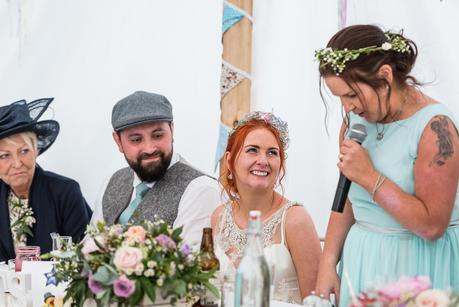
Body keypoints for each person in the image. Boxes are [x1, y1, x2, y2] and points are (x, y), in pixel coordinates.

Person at [314, 24, 459, 306]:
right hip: (362, 260)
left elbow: (432, 226)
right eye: (340, 98)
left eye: (352, 95)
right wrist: (328, 262)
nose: (347, 107)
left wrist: (369, 176)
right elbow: (346, 199)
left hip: (419, 265)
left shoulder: (435, 128)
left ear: (385, 76)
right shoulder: (353, 123)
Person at [211, 111, 322, 304]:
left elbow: (317, 302)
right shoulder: (219, 217)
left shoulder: (295, 220)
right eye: (252, 150)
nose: (263, 160)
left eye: (272, 152)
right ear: (229, 159)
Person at [90, 91, 220, 248]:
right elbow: (91, 249)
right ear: (118, 141)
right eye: (136, 139)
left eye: (157, 136)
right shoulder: (110, 182)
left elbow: (191, 266)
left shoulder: (201, 190)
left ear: (172, 130)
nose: (149, 148)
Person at [0, 98, 92, 262]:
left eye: (24, 151)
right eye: (4, 155)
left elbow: (84, 259)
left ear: (36, 150)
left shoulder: (66, 192)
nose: (16, 163)